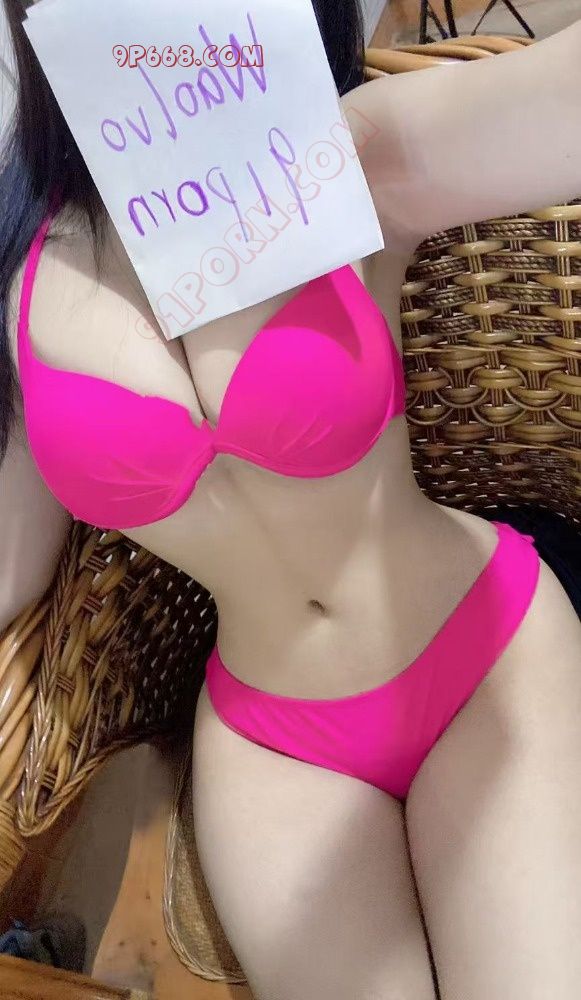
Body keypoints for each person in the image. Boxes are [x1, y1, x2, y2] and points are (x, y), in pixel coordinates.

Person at [2, 2, 581, 997]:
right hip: (276, 744)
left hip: (477, 648)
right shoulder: (18, 273)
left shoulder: (333, 153)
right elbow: (11, 571)